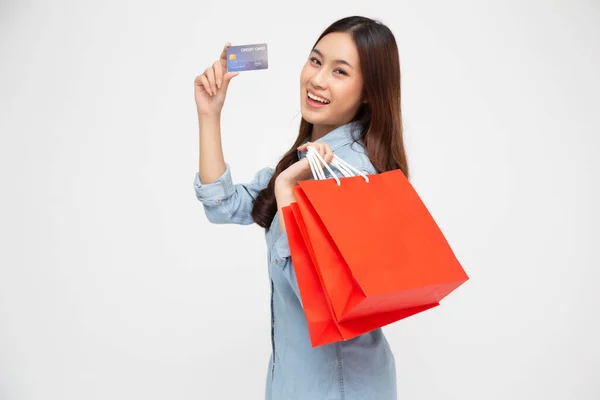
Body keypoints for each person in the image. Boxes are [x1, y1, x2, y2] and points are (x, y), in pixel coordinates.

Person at [193, 15, 408, 400]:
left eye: (340, 71)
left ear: (368, 92)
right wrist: (210, 114)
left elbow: (322, 300)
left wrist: (288, 190)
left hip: (341, 389)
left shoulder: (350, 174)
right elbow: (223, 205)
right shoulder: (304, 160)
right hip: (294, 383)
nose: (318, 80)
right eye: (315, 60)